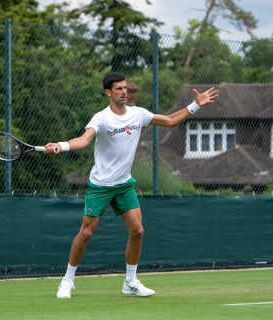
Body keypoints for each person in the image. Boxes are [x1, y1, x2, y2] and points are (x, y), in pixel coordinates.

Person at [45, 72, 218, 299]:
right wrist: (61, 145)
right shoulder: (101, 118)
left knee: (137, 230)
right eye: (118, 89)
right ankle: (67, 280)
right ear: (108, 92)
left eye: (125, 88)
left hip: (124, 184)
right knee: (86, 232)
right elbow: (84, 140)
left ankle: (130, 281)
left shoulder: (138, 115)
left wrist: (195, 104)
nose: (124, 92)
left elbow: (170, 121)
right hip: (100, 185)